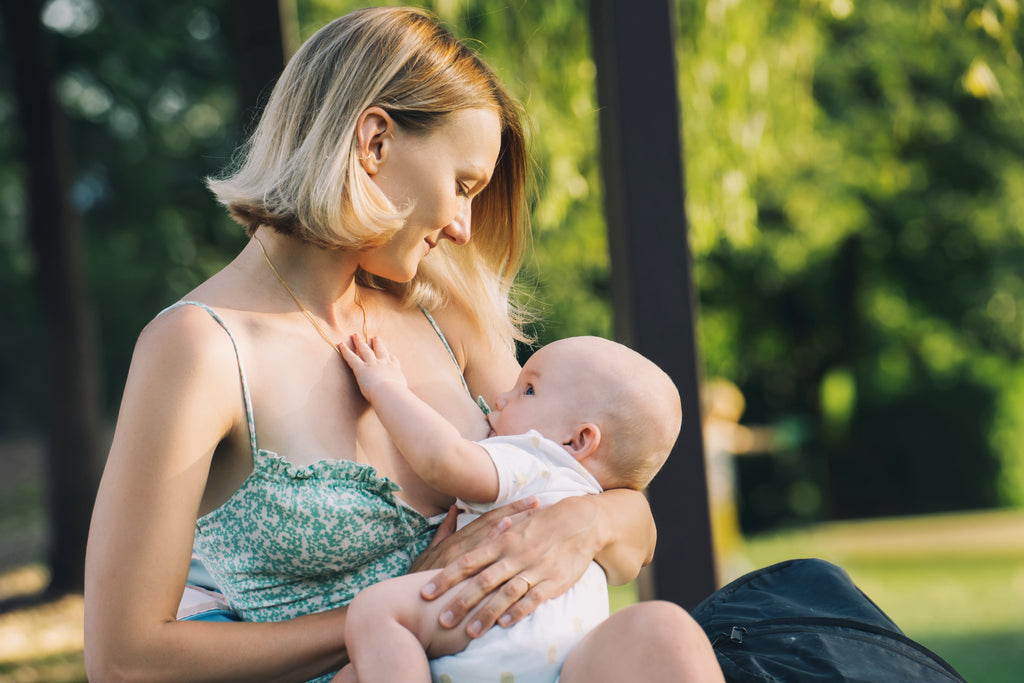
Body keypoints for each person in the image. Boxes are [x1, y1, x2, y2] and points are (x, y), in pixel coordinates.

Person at [83, 7, 724, 683]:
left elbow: (622, 519)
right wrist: (409, 606)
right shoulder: (200, 349)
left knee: (664, 633)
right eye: (462, 186)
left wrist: (583, 524)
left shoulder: (448, 313)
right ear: (375, 142)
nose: (461, 226)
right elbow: (126, 658)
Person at [335, 333, 683, 683]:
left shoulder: (537, 460)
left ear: (577, 440)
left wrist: (385, 387)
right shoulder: (582, 488)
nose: (500, 399)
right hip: (552, 652)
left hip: (503, 626)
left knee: (375, 612)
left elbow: (444, 459)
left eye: (527, 390)